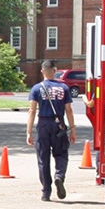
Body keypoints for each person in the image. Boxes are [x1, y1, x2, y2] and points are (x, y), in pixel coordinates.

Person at [26, 60, 77, 201]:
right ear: (55, 70)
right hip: (59, 123)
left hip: (43, 123)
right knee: (61, 154)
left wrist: (29, 132)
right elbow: (69, 110)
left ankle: (46, 192)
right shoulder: (64, 88)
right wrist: (72, 130)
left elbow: (32, 110)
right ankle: (59, 176)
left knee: (43, 158)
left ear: (42, 71)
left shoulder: (37, 88)